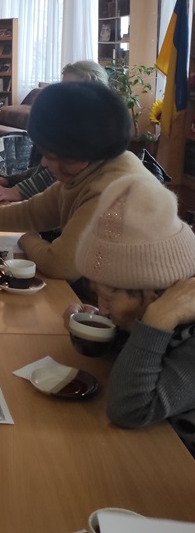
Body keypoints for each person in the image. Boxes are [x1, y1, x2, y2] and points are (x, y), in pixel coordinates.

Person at [0, 81, 152, 282]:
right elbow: (32, 212)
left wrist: (27, 238)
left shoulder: (109, 189)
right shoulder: (89, 170)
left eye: (52, 155)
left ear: (81, 153)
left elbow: (60, 265)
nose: (44, 162)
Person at [66, 175, 195, 457]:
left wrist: (156, 324)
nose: (103, 308)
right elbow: (141, 355)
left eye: (110, 296)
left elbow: (129, 409)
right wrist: (100, 332)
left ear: (156, 291)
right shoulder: (152, 302)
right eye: (98, 295)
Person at [0, 60, 109, 204]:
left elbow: (57, 175)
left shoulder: (94, 124)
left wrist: (15, 191)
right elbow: (45, 169)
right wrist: (7, 180)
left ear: (87, 81)